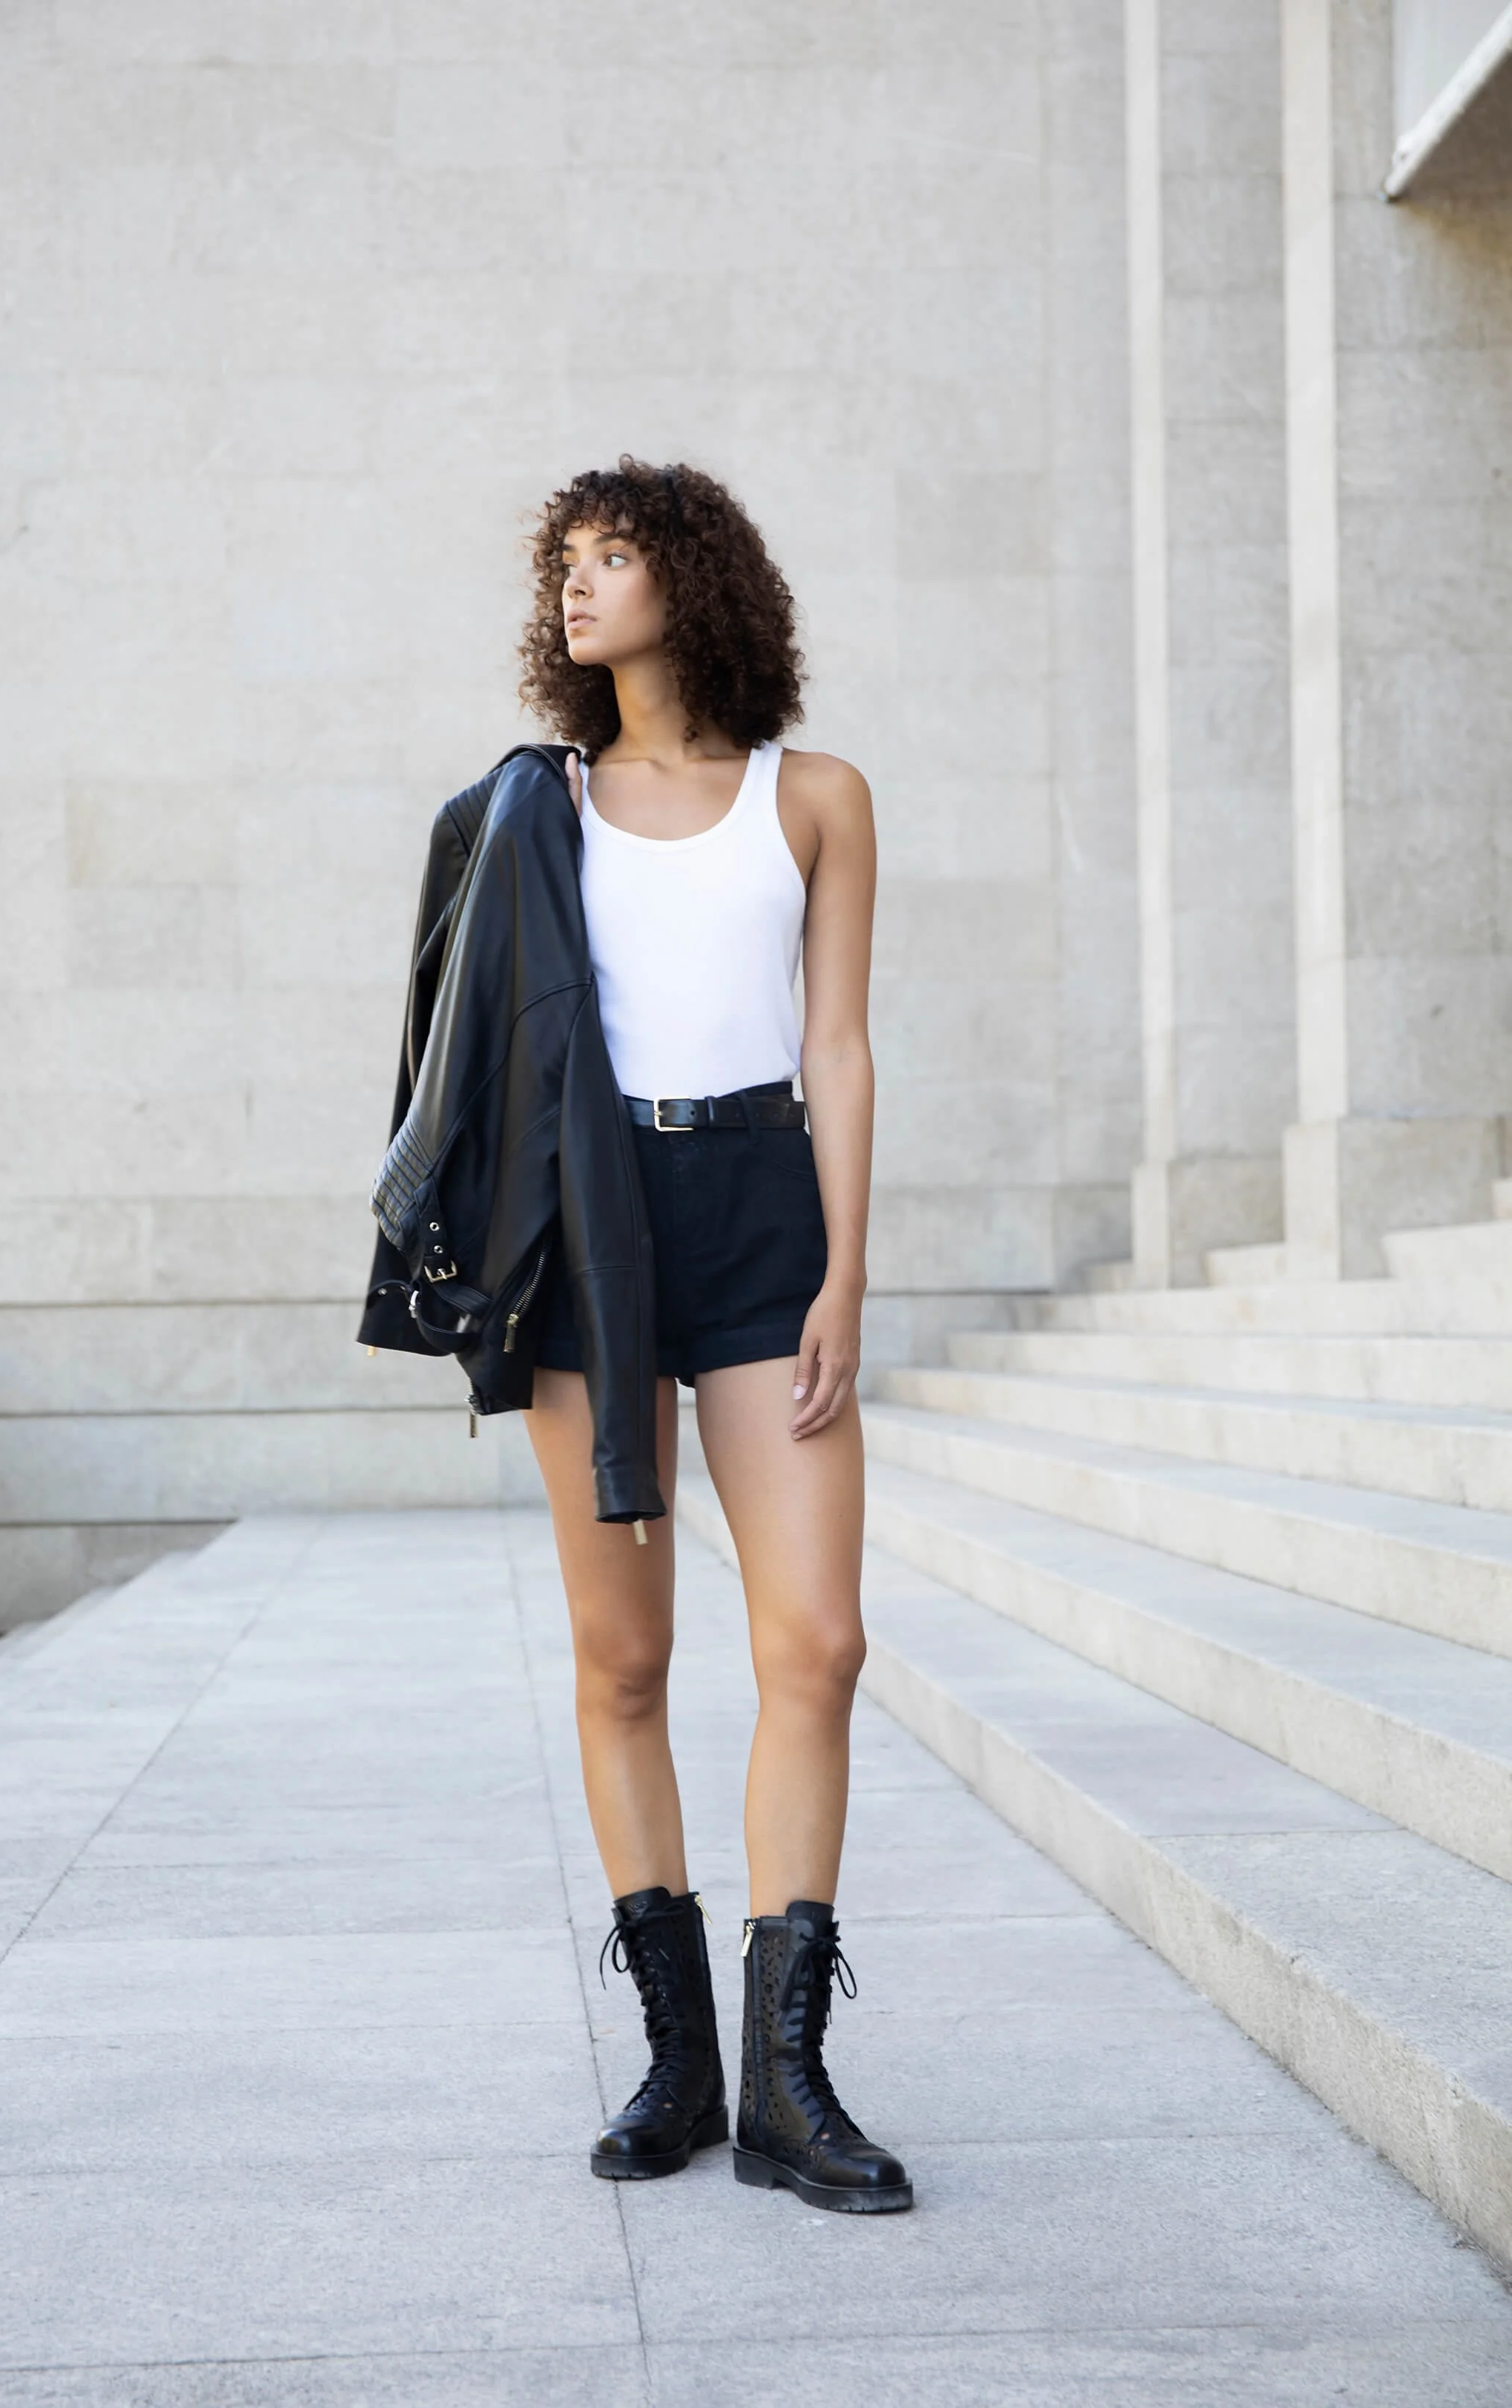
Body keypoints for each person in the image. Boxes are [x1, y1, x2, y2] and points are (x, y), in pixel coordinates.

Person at [515, 457, 911, 2214]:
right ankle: (678, 2063)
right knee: (622, 1662)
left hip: (759, 1216)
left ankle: (786, 2078)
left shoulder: (812, 796)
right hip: (592, 1244)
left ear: (692, 573)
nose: (579, 588)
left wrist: (840, 1268)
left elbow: (836, 1047)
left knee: (814, 1641)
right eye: (564, 566)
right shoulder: (535, 808)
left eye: (611, 555)